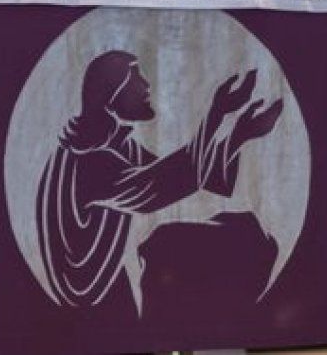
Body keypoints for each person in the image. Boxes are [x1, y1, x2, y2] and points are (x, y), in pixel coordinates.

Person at [36, 51, 283, 314]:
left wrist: (240, 135)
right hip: (87, 301)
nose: (146, 85)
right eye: (135, 77)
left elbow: (200, 178)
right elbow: (161, 187)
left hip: (106, 280)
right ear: (111, 94)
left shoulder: (122, 149)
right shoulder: (86, 158)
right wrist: (217, 113)